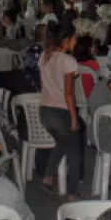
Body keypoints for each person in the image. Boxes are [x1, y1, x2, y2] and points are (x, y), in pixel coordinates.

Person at [37, 23, 83, 200]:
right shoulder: (68, 61)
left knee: (62, 143)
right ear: (67, 39)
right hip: (60, 111)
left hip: (45, 110)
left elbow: (43, 86)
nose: (76, 41)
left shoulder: (44, 57)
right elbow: (69, 94)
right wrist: (73, 118)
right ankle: (72, 193)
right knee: (74, 151)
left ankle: (47, 179)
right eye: (74, 38)